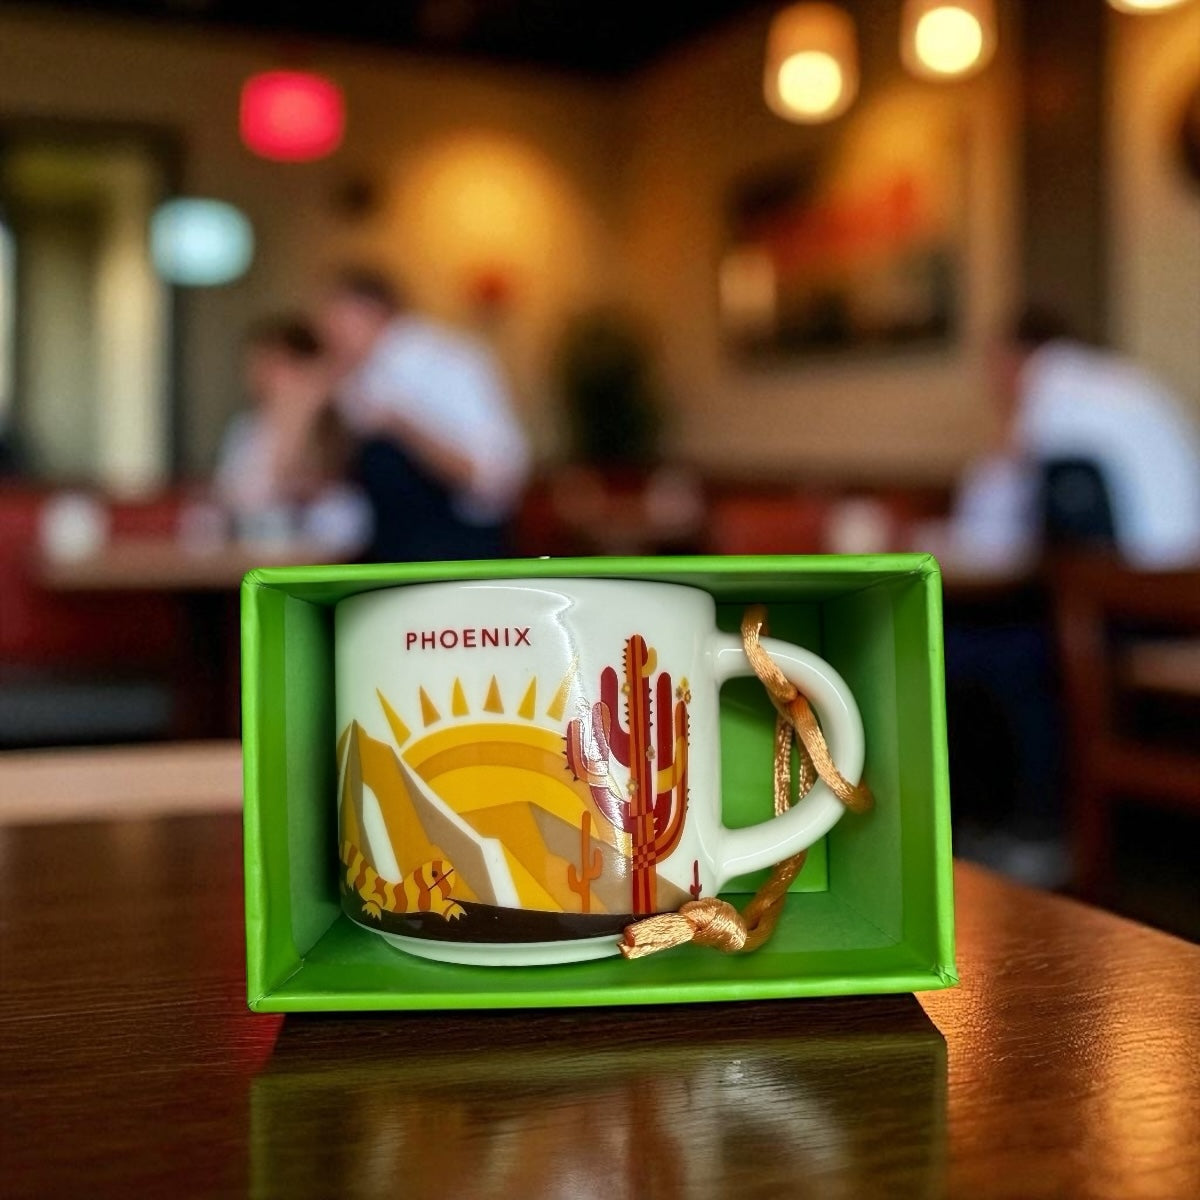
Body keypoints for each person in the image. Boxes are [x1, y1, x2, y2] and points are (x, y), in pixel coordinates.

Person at [943, 310, 1200, 571]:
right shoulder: (1122, 379)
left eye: (992, 363)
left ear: (1013, 356)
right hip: (1184, 572)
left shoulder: (1052, 381)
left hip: (1131, 581)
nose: (990, 381)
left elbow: (987, 526)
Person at [318, 268, 530, 562]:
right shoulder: (357, 380)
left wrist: (400, 425)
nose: (327, 332)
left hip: (456, 555)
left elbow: (495, 477)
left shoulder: (444, 360)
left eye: (334, 317)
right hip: (393, 553)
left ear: (371, 311)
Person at [214, 316, 371, 555]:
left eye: (276, 364)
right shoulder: (247, 427)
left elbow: (300, 484)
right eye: (257, 363)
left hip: (327, 548)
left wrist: (299, 412)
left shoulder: (341, 420)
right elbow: (236, 496)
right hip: (255, 545)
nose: (263, 374)